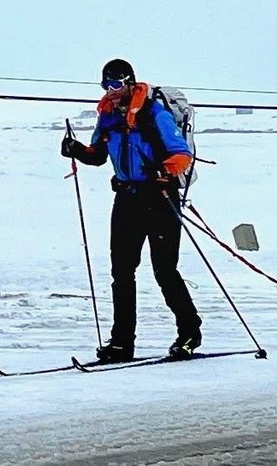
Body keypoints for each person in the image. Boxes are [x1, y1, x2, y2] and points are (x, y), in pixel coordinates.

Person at [61, 58, 202, 363]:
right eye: (105, 85)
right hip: (127, 199)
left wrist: (160, 172)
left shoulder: (154, 113)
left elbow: (182, 155)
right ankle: (122, 343)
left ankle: (190, 332)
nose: (110, 91)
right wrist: (76, 150)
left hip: (161, 198)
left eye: (114, 85)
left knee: (164, 271)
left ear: (127, 82)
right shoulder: (108, 117)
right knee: (121, 273)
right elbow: (98, 156)